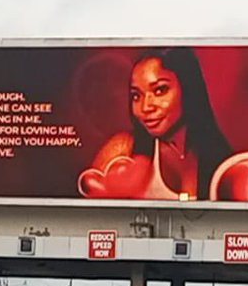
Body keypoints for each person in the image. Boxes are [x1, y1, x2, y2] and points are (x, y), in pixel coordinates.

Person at [87, 48, 232, 200]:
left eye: (159, 90)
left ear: (188, 89)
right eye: (136, 96)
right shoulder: (123, 149)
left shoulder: (219, 157)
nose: (145, 107)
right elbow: (91, 217)